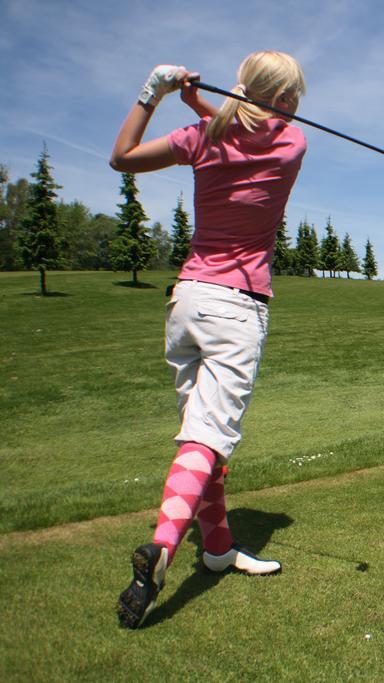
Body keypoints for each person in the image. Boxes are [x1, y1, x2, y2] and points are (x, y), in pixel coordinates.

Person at [110, 52, 307, 629]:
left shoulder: (200, 136)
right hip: (237, 306)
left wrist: (158, 92)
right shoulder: (291, 143)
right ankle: (164, 545)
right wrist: (206, 100)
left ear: (242, 88)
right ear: (287, 104)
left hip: (187, 301)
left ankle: (217, 550)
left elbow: (122, 158)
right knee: (209, 436)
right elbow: (253, 124)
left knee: (204, 436)